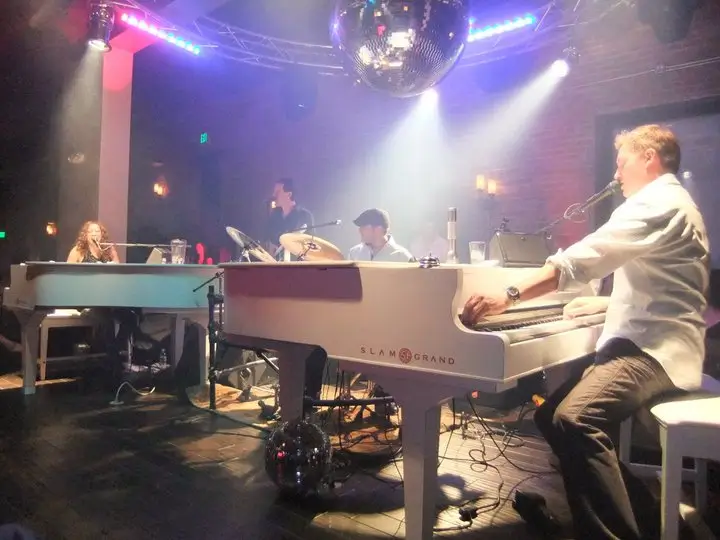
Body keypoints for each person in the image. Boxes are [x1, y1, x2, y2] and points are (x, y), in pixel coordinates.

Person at [460, 124, 708, 539]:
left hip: (655, 350)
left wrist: (509, 295)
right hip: (655, 339)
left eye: (621, 162)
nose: (616, 175)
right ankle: (646, 519)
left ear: (649, 157)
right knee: (548, 416)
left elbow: (582, 259)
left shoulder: (658, 200)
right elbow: (670, 289)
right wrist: (605, 303)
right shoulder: (673, 202)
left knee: (576, 420)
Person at [265, 179, 314, 260]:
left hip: (297, 266)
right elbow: (268, 238)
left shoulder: (305, 216)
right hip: (276, 266)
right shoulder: (274, 215)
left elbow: (313, 245)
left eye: (277, 192)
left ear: (289, 194)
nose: (273, 195)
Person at [348, 209, 415, 262]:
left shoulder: (402, 257)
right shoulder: (354, 253)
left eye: (364, 226)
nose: (360, 230)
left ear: (378, 229)